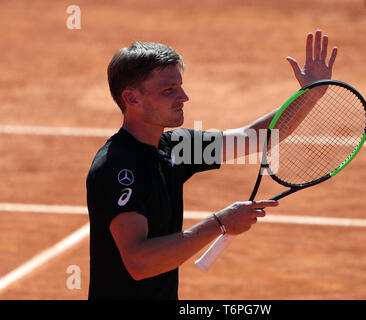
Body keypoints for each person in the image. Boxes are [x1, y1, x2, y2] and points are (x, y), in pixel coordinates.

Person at [86, 30, 337, 300]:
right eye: (168, 90)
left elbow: (254, 138)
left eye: (180, 86)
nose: (184, 96)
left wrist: (310, 95)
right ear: (132, 99)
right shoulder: (117, 168)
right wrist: (219, 223)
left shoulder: (174, 147)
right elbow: (140, 262)